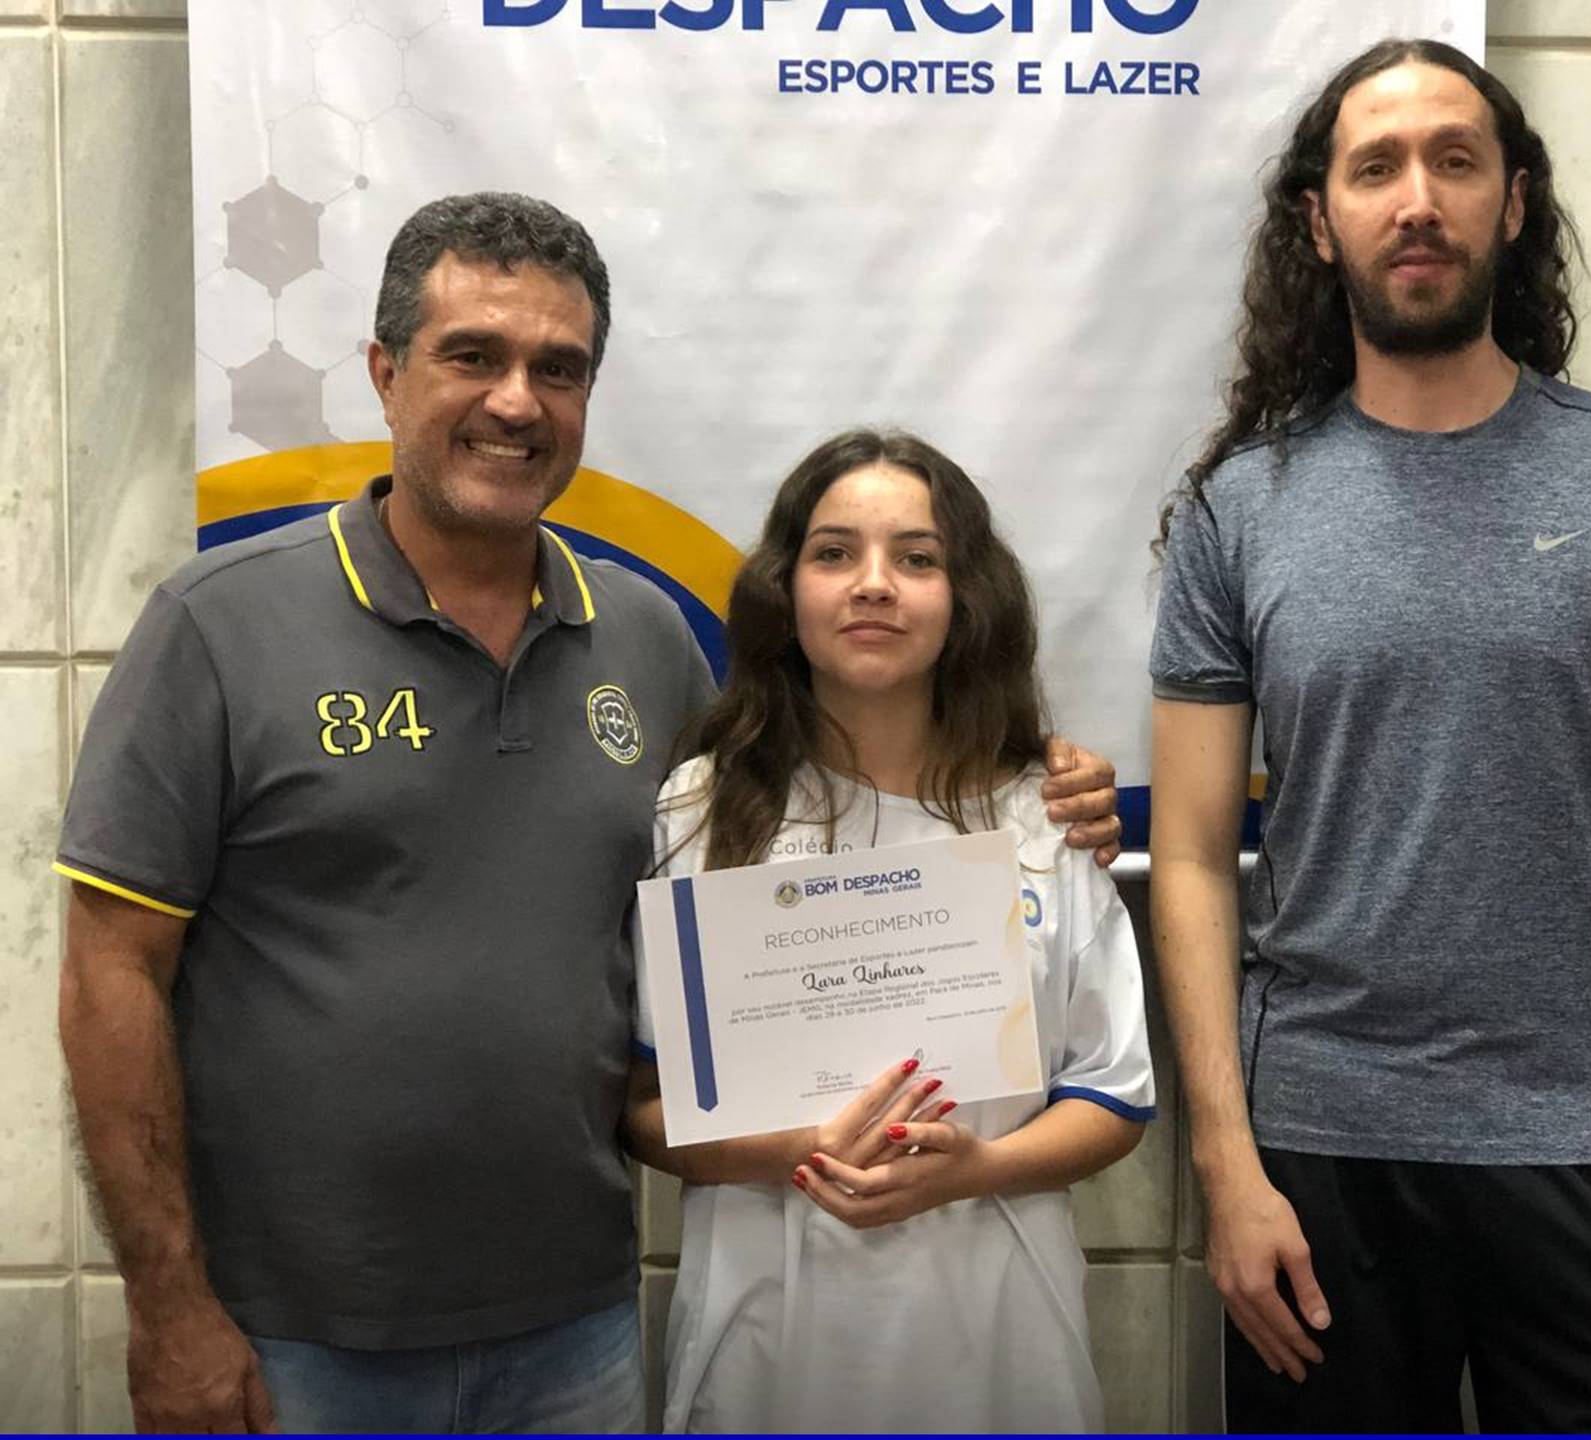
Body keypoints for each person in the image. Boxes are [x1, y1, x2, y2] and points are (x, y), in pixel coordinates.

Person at [55, 193, 1123, 1434]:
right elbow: (108, 973)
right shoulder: (218, 624)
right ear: (386, 375)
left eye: (557, 369)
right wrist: (169, 1302)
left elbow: (807, 802)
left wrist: (1040, 776)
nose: (517, 401)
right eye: (474, 356)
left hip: (574, 1327)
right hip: (293, 1333)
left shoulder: (646, 639)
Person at [1149, 40, 1591, 1433]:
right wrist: (1226, 1167)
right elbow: (1193, 853)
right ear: (1319, 221)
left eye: (1455, 160)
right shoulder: (1237, 510)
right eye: (1375, 167)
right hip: (1320, 1156)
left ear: (1512, 203)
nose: (1417, 200)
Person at [624, 429, 1156, 1433]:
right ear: (787, 592)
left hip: (999, 1334)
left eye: (917, 558)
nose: (874, 584)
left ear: (966, 600)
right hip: (766, 1333)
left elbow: (1114, 1094)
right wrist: (796, 1149)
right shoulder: (700, 809)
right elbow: (644, 1108)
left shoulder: (1046, 815)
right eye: (834, 553)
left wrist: (978, 1171)